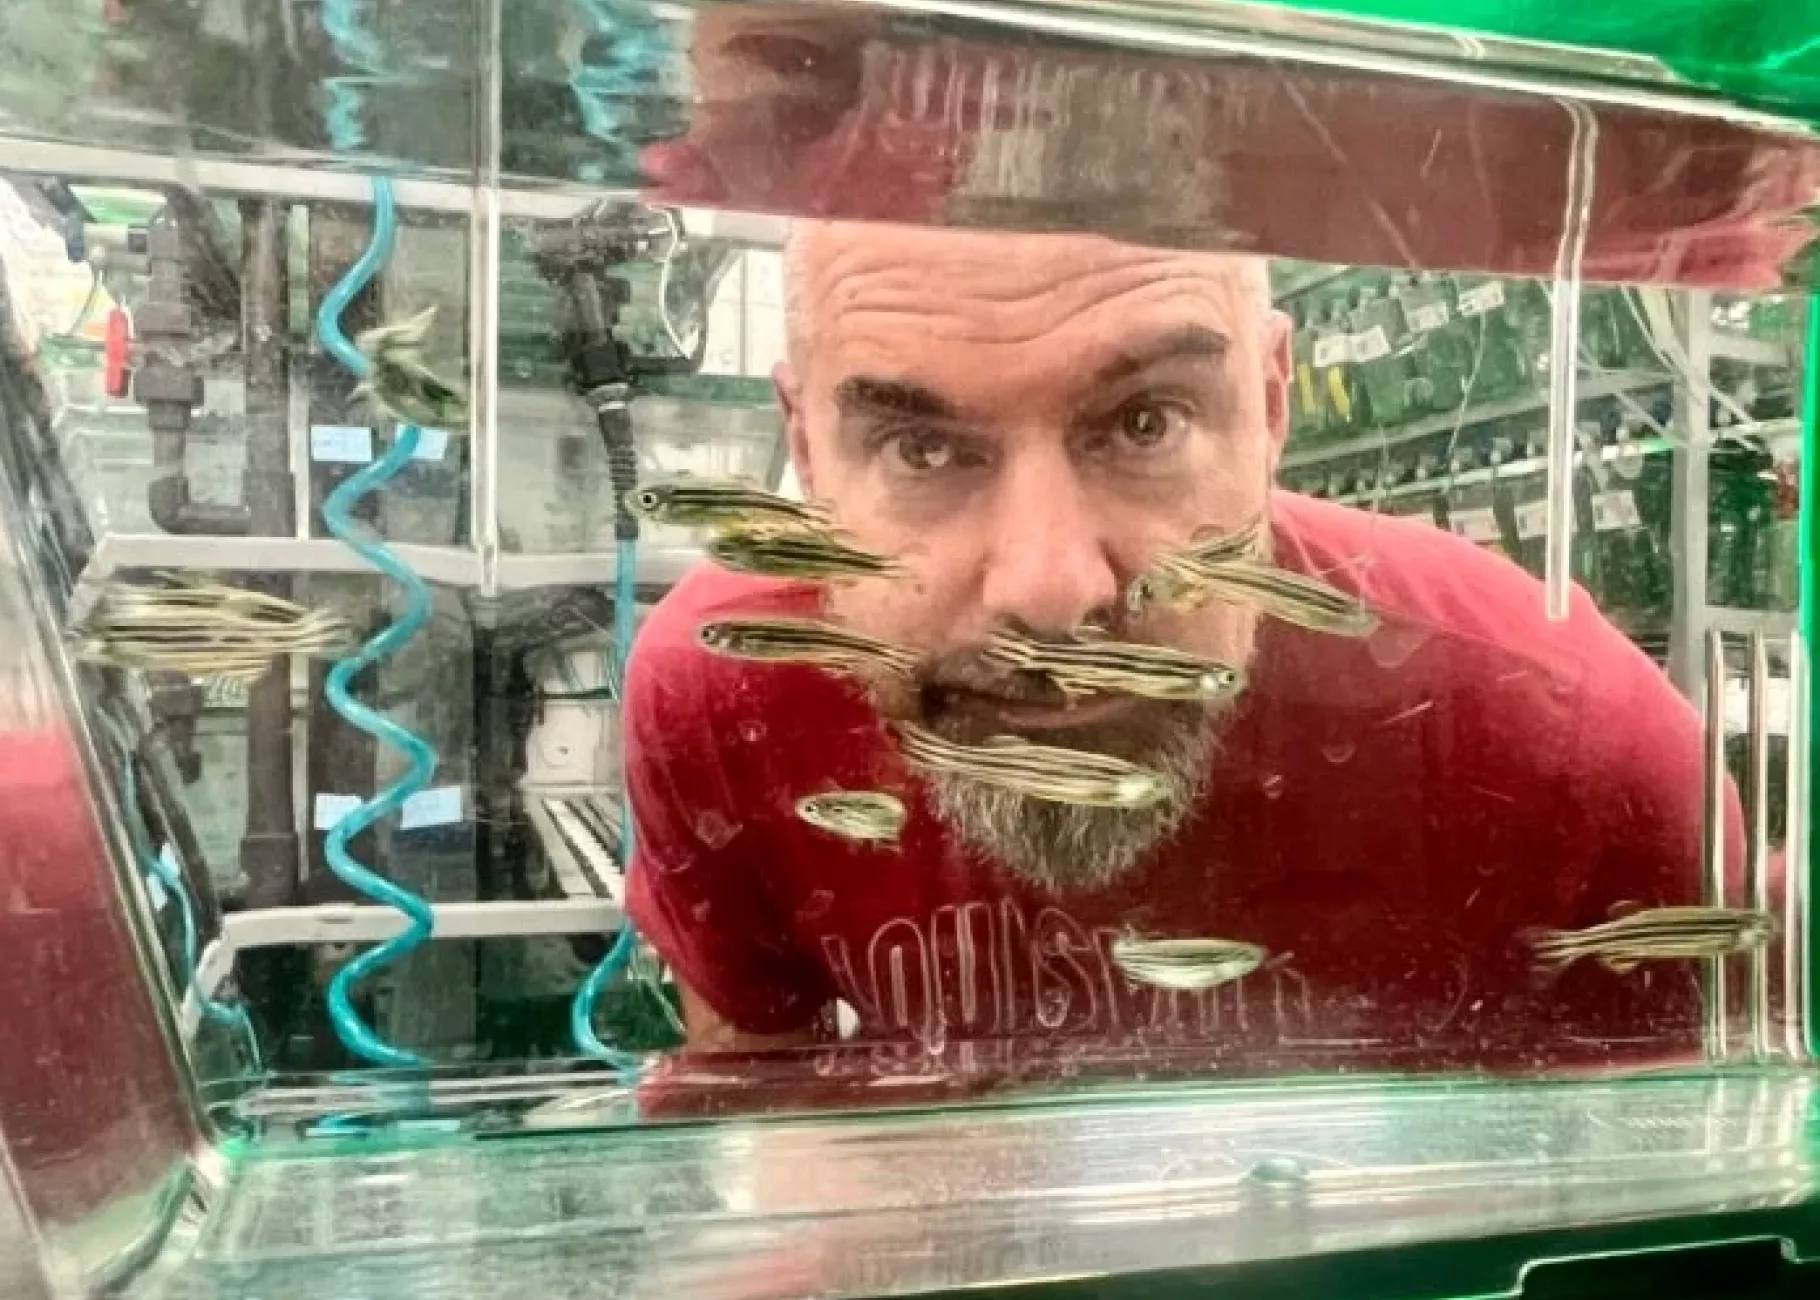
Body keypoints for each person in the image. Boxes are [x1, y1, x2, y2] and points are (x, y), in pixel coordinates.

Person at [622, 219, 1737, 1093]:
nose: (1051, 591)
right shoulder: (726, 693)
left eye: (1144, 423)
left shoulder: (1562, 733)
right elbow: (753, 1129)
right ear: (807, 453)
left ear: (1268, 404)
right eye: (921, 447)